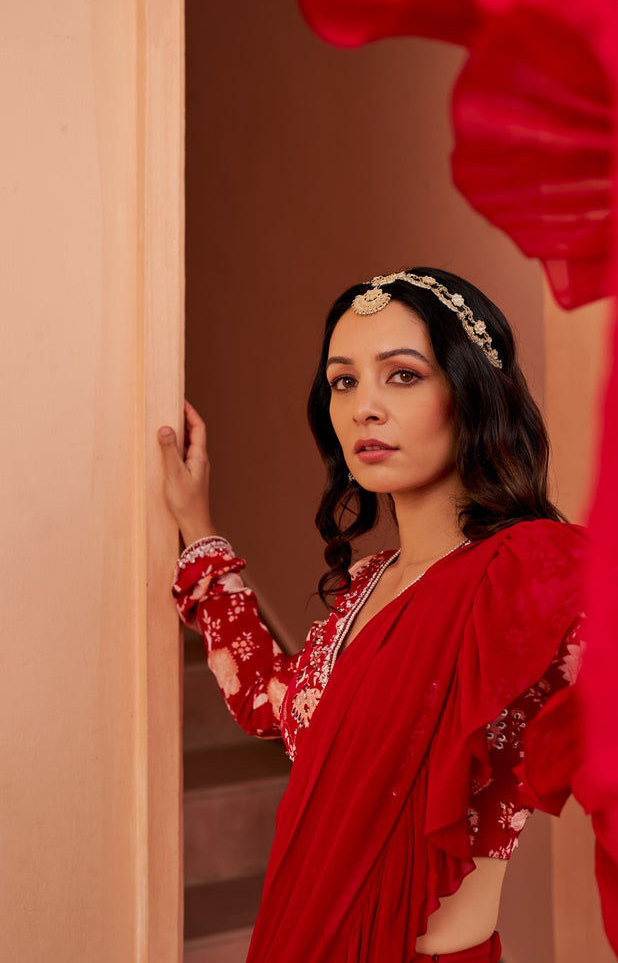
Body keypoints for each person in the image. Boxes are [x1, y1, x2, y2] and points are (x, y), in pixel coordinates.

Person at [158, 267, 588, 963]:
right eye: (343, 381)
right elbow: (276, 707)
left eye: (404, 375)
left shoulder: (531, 573)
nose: (364, 407)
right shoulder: (366, 585)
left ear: (472, 392)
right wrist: (200, 535)